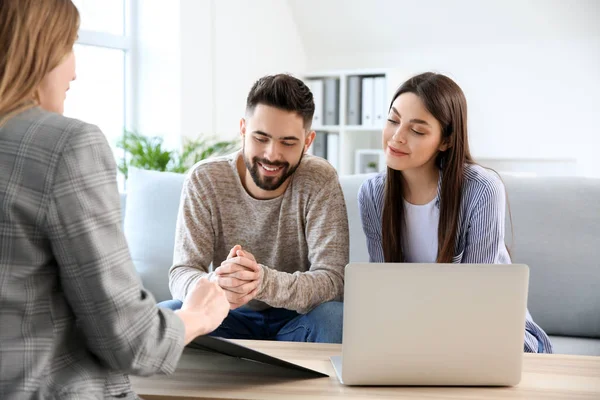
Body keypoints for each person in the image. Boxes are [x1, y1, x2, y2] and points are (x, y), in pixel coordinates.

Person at [0, 1, 230, 398]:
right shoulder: (66, 145)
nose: (75, 70)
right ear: (38, 49)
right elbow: (131, 340)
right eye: (69, 45)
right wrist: (200, 313)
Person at [357, 72, 553, 353]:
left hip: (487, 328)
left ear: (446, 141)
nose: (396, 137)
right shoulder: (373, 194)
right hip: (413, 330)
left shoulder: (482, 189)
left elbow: (476, 297)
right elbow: (382, 289)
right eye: (392, 120)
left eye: (417, 130)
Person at [160, 74, 349, 343]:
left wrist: (262, 282)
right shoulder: (205, 179)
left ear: (308, 142)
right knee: (166, 316)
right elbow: (182, 272)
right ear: (243, 129)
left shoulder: (320, 179)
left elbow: (333, 281)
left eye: (288, 142)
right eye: (261, 138)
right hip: (225, 315)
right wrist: (219, 285)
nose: (272, 154)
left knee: (335, 318)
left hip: (297, 320)